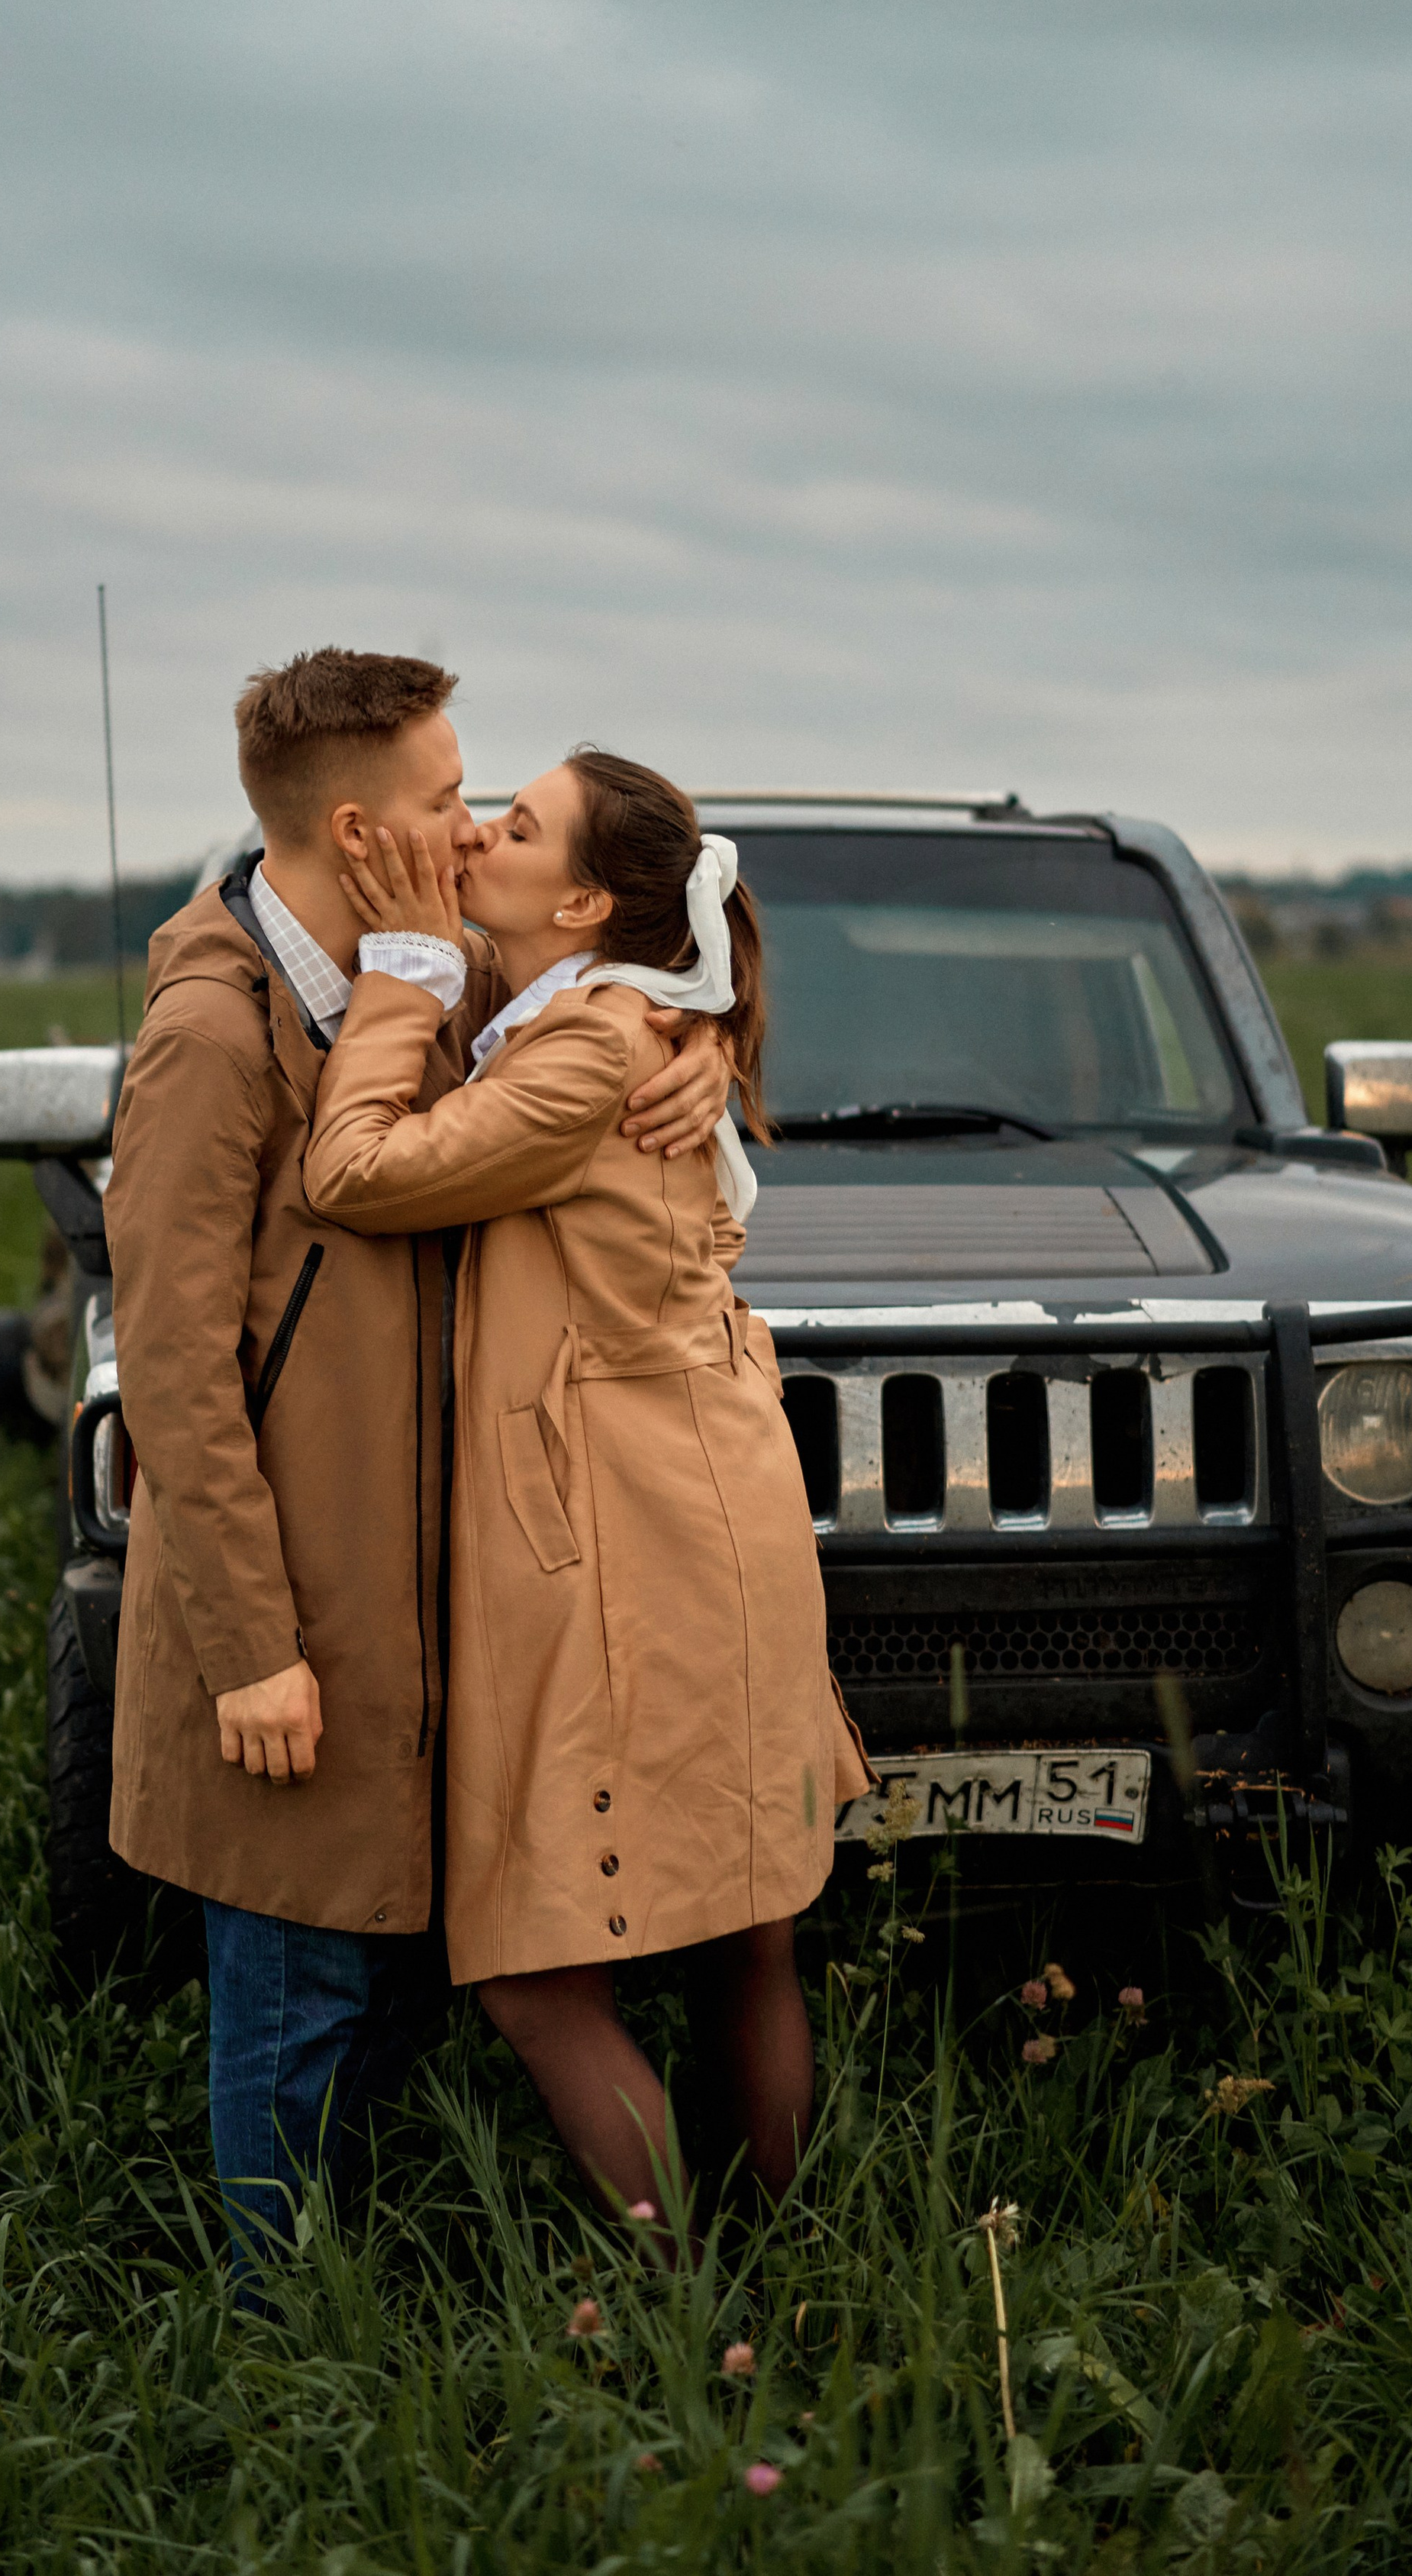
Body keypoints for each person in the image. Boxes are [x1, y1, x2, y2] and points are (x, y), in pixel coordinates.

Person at [102, 655, 733, 2287]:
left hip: (434, 1610)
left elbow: (631, 955)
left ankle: (371, 2305)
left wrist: (699, 1040)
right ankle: (279, 2349)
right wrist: (251, 1646)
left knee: (381, 1999)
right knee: (293, 2008)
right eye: (449, 798)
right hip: (296, 1621)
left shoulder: (432, 976)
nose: (471, 825)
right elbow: (173, 1374)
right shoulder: (209, 1031)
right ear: (360, 830)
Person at [302, 747, 872, 2237]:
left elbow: (353, 1171)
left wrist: (401, 972)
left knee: (538, 1972)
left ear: (582, 904)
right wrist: (701, 1025)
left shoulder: (581, 1051)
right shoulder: (613, 1018)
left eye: (515, 826)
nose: (477, 835)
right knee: (746, 1936)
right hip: (709, 1506)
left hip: (629, 1538)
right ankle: (778, 2272)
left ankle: (689, 2300)